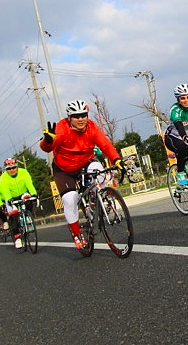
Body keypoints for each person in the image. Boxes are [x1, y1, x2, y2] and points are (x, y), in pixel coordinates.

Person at [39, 99, 125, 252]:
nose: (80, 119)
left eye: (83, 115)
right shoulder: (62, 128)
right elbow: (47, 147)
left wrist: (116, 159)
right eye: (76, 116)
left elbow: (104, 144)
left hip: (85, 162)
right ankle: (77, 234)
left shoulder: (91, 127)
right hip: (64, 169)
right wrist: (47, 141)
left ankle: (96, 199)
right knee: (70, 199)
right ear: (69, 118)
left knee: (98, 169)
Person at [0, 158, 38, 249]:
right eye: (9, 169)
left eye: (14, 167)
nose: (12, 170)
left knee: (28, 199)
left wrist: (34, 193)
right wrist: (9, 199)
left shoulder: (23, 172)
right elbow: (5, 190)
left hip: (23, 193)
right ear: (6, 169)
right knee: (14, 217)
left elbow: (29, 184)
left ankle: (28, 216)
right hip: (11, 197)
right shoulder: (4, 177)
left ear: (17, 167)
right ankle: (17, 239)